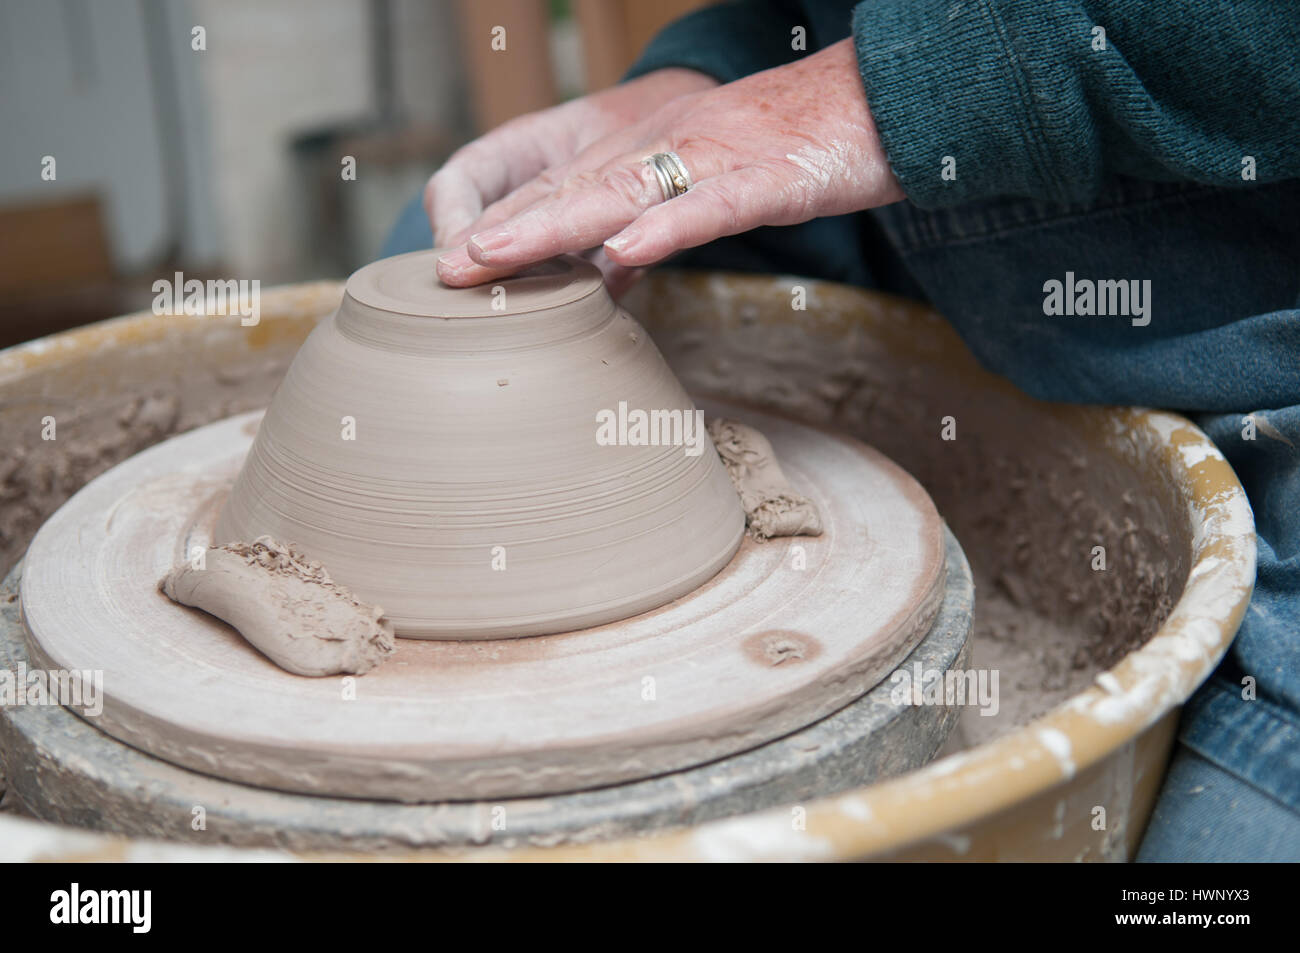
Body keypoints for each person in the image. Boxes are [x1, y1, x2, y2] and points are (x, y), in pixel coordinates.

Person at [383, 1, 1300, 860]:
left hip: (1256, 314)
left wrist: (921, 82)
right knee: (456, 276)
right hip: (935, 217)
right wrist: (719, 74)